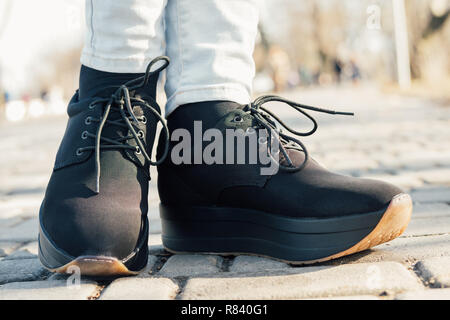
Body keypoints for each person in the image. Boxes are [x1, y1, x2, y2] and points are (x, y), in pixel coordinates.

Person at [38, 0, 412, 276]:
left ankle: (209, 128)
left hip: (206, 136)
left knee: (215, 66)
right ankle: (115, 82)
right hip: (111, 81)